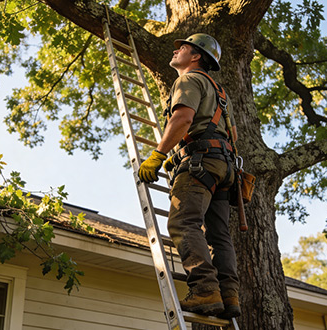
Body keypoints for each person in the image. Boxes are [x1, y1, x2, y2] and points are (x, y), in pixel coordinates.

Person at [138, 33, 240, 319]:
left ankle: (206, 289)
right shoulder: (220, 93)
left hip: (201, 163)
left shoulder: (188, 80)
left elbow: (182, 119)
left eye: (182, 47)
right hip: (224, 167)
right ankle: (229, 294)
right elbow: (221, 133)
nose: (176, 51)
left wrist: (158, 155)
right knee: (220, 235)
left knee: (184, 221)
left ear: (196, 56)